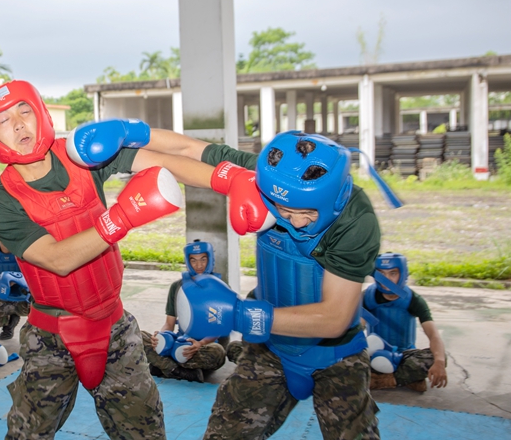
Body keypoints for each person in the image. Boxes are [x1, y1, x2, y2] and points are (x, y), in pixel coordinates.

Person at [75, 123, 387, 440]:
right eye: (282, 210)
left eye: (306, 213)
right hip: (269, 348)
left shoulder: (355, 219)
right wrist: (130, 132)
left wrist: (237, 314)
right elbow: (189, 149)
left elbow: (334, 318)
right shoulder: (266, 175)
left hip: (336, 355)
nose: (294, 221)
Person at [0, 81, 218, 440]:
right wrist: (124, 216)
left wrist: (237, 178)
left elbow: (169, 159)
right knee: (26, 435)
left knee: (146, 434)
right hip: (50, 337)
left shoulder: (81, 155)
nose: (20, 124)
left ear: (40, 112)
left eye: (24, 111)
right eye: (4, 121)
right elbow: (56, 259)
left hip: (114, 326)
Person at [141, 240, 228, 384]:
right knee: (140, 337)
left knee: (217, 353)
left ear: (210, 259)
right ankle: (180, 371)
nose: (199, 265)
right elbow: (169, 323)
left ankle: (163, 365)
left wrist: (200, 344)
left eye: (203, 259)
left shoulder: (220, 288)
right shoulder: (177, 287)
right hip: (178, 342)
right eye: (193, 260)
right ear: (188, 261)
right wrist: (160, 337)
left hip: (204, 345)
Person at [362, 252, 448, 393]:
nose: (386, 279)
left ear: (403, 274)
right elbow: (358, 328)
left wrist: (439, 362)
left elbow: (434, 336)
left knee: (439, 356)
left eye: (393, 273)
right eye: (381, 274)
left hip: (404, 355)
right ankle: (408, 378)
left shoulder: (414, 300)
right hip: (373, 353)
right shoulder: (367, 297)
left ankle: (385, 379)